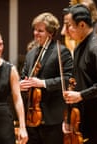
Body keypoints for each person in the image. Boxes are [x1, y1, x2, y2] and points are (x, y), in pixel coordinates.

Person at [61, 4, 97, 144]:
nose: (65, 32)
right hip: (85, 119)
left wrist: (80, 95)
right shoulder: (81, 46)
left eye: (69, 26)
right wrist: (69, 118)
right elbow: (79, 81)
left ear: (81, 25)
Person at [20, 12, 73, 144]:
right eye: (35, 30)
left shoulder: (61, 51)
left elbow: (67, 79)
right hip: (31, 116)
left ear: (50, 33)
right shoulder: (31, 54)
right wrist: (22, 84)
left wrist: (42, 83)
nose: (36, 33)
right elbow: (24, 75)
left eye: (40, 31)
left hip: (51, 117)